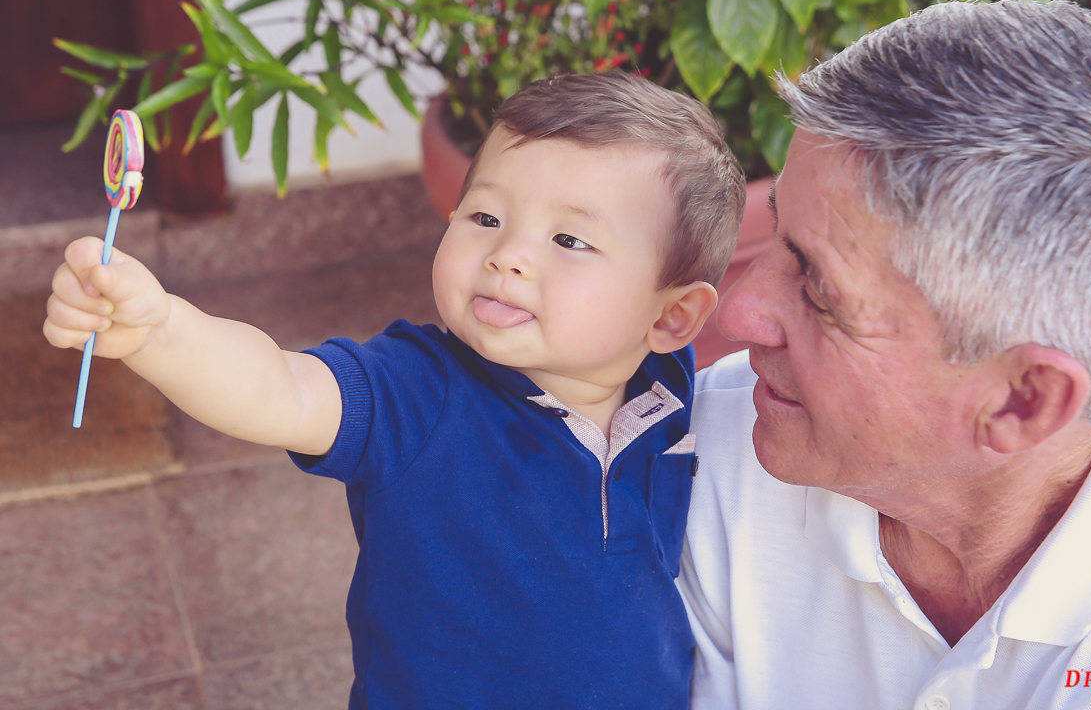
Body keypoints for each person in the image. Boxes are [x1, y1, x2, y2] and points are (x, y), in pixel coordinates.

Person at [44, 71, 746, 709]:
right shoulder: (418, 392)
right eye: (486, 218)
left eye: (568, 240)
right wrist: (162, 329)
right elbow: (281, 388)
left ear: (671, 316)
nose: (509, 255)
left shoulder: (672, 396)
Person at [681, 0, 1091, 709]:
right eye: (777, 234)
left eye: (820, 288)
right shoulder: (693, 453)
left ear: (1023, 400)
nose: (738, 311)